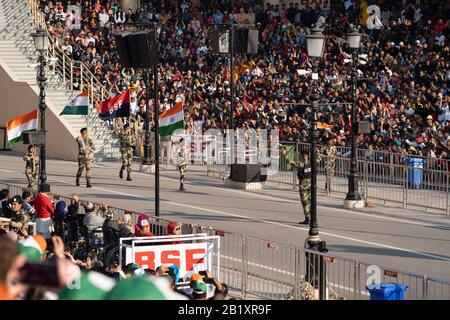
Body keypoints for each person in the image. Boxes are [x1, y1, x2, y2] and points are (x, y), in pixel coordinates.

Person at [282, 148, 312, 225]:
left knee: (305, 201)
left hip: (303, 183)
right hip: (311, 182)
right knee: (310, 200)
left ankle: (308, 218)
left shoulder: (301, 163)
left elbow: (289, 162)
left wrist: (285, 155)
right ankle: (312, 217)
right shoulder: (311, 162)